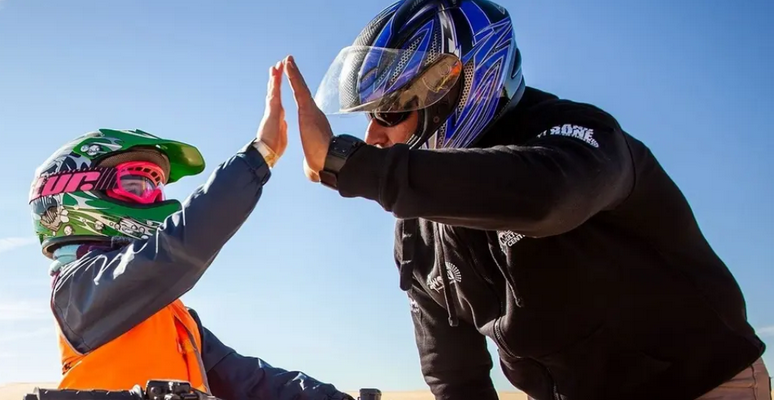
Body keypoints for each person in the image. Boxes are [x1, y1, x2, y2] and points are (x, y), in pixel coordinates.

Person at [280, 0, 770, 399]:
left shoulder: (576, 137)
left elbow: (547, 198)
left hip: (697, 384)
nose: (372, 135)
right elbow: (452, 372)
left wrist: (351, 165)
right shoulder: (416, 219)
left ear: (456, 87)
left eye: (389, 110)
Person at [28, 62, 354, 400]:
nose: (154, 198)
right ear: (73, 194)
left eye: (157, 187)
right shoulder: (77, 293)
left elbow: (250, 381)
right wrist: (260, 156)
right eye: (139, 183)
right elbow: (176, 248)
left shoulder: (171, 316)